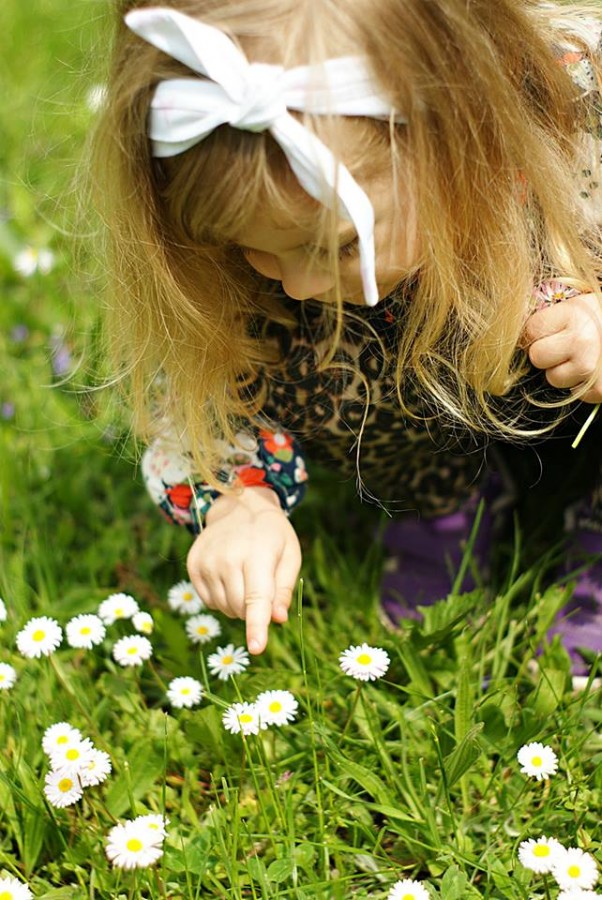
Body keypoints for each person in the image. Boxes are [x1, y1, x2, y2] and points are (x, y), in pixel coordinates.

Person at [91, 0, 602, 672]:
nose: (300, 283)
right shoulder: (278, 257)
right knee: (300, 343)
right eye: (259, 250)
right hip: (429, 359)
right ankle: (440, 497)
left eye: (338, 244)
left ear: (456, 133)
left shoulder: (575, 117)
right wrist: (238, 502)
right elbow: (201, 390)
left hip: (569, 335)